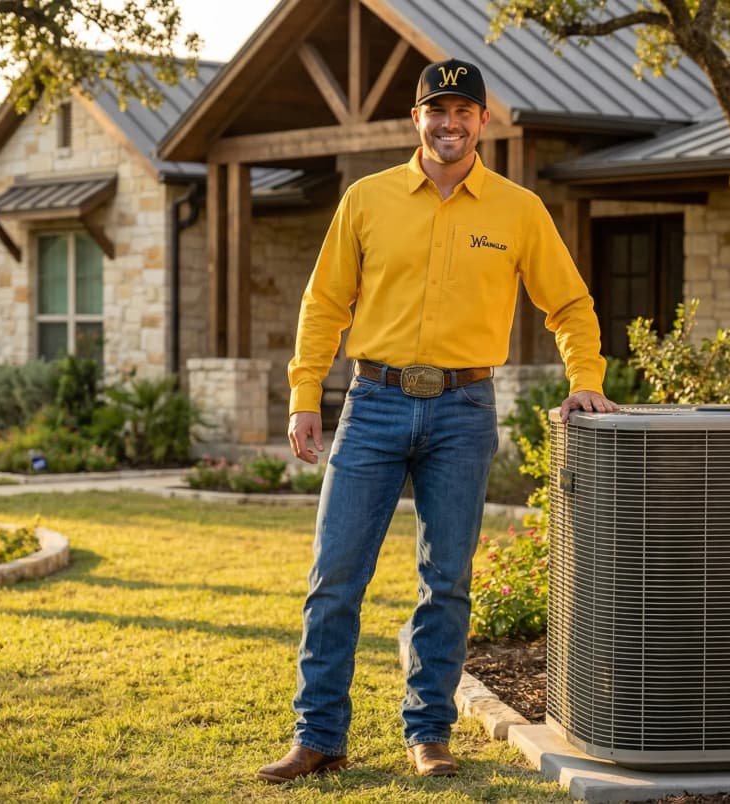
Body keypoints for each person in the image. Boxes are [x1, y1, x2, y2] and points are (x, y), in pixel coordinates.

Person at [256, 57, 618, 784]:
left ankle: (429, 734)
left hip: (463, 409)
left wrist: (586, 381)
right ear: (415, 120)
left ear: (483, 121)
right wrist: (304, 396)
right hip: (374, 402)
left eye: (463, 112)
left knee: (446, 581)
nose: (449, 123)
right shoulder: (367, 199)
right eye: (436, 110)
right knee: (335, 576)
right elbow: (325, 303)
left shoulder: (518, 210)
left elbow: (570, 305)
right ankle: (319, 736)